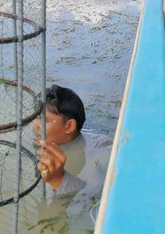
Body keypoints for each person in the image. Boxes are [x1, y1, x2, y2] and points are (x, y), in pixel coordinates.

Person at [33, 85, 112, 232]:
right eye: (36, 117)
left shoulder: (102, 150)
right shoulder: (37, 147)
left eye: (44, 120)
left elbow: (92, 201)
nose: (35, 125)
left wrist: (59, 180)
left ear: (69, 126)